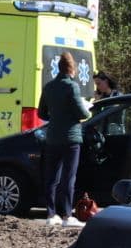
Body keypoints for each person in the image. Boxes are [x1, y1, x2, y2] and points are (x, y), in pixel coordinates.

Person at [38, 52, 93, 228]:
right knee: (68, 178)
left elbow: (41, 113)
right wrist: (88, 110)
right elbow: (81, 113)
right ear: (72, 69)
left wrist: (56, 117)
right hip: (71, 139)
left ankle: (50, 214)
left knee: (51, 178)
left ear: (58, 68)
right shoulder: (72, 86)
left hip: (53, 138)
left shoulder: (48, 87)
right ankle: (67, 216)